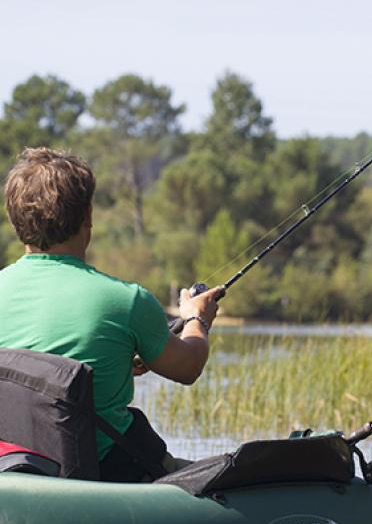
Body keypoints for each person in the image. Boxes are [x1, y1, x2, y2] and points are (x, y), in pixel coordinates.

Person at [0, 147, 222, 481]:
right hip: (102, 475)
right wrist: (196, 318)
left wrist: (117, 362)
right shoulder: (127, 300)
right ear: (88, 215)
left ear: (14, 219)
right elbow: (188, 366)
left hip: (14, 468)